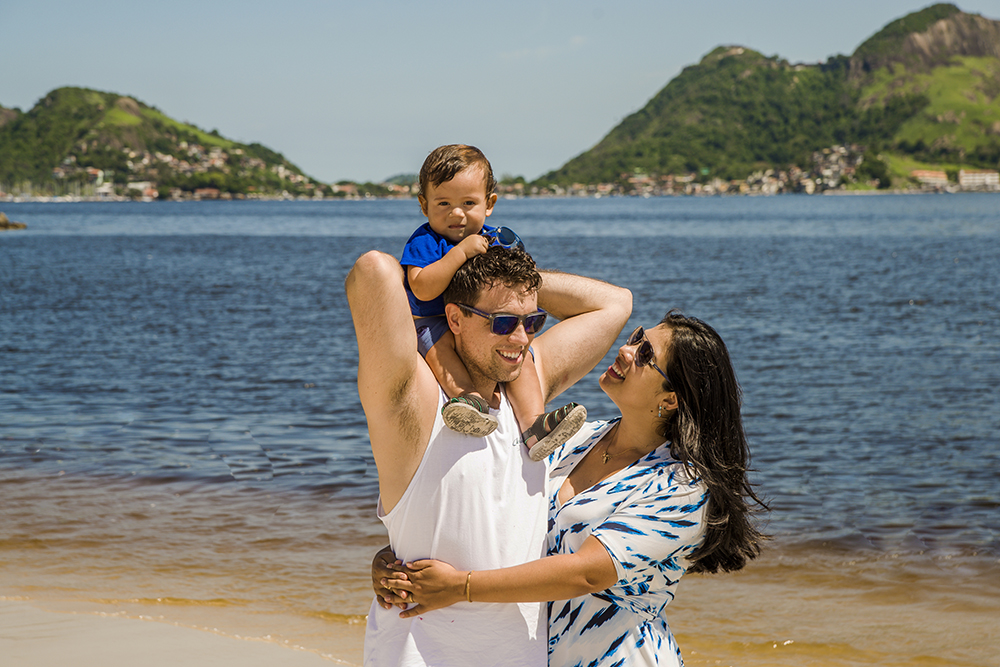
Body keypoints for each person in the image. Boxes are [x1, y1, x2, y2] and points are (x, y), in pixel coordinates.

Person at [376, 312, 768, 667]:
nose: (626, 350)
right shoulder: (577, 437)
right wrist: (403, 561)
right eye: (635, 337)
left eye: (646, 353)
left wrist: (459, 586)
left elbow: (586, 573)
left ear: (671, 399)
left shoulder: (681, 487)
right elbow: (494, 510)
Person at [345, 243, 632, 667]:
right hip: (419, 653)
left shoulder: (526, 392)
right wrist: (448, 267)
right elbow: (373, 272)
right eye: (502, 322)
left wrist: (508, 275)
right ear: (455, 318)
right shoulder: (416, 401)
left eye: (532, 321)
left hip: (523, 655)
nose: (520, 339)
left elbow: (614, 303)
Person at [402, 144, 585, 460]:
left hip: (479, 319)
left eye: (468, 203)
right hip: (430, 319)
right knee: (441, 350)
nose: (456, 213)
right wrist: (459, 253)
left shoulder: (491, 236)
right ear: (424, 205)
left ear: (489, 204)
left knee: (521, 356)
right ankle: (468, 401)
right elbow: (421, 288)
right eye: (443, 203)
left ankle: (534, 425)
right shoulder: (425, 241)